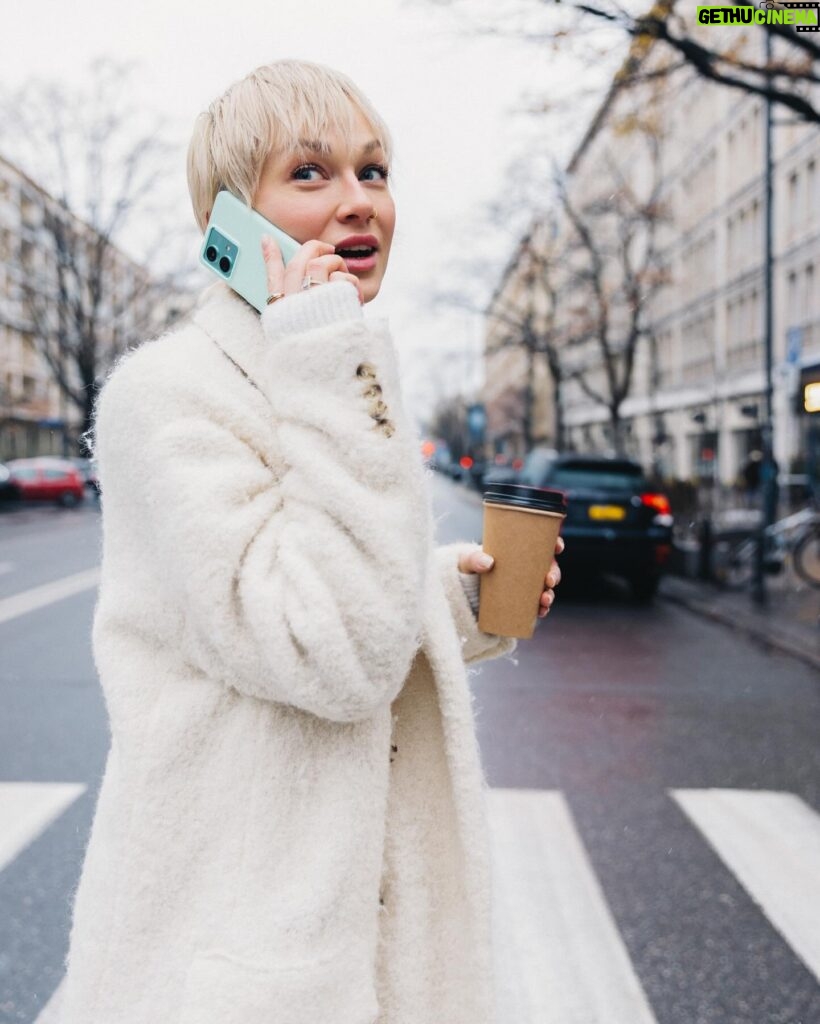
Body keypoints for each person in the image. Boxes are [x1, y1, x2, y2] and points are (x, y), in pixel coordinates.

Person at [58, 59, 563, 1024]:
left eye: (374, 172)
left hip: (351, 939)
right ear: (226, 221)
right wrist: (327, 352)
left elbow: (314, 594)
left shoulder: (325, 356)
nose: (358, 202)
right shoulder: (167, 395)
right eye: (310, 173)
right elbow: (328, 649)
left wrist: (450, 602)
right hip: (231, 952)